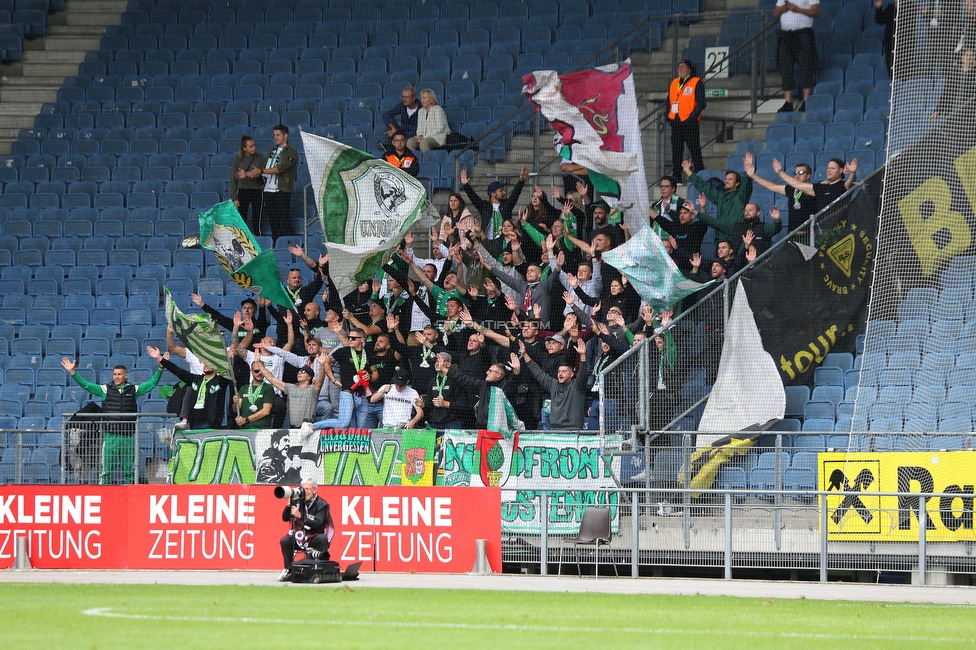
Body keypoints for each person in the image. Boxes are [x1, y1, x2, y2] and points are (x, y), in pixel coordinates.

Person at [61, 352, 163, 485]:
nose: (116, 377)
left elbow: (151, 384)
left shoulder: (134, 389)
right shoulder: (105, 389)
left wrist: (161, 368)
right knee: (106, 471)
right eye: (114, 374)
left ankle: (130, 498)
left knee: (129, 472)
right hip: (110, 437)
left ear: (126, 375)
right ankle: (104, 497)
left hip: (127, 436)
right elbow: (86, 385)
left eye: (119, 374)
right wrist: (72, 372)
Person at [147, 346, 233, 431]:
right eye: (205, 363)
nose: (206, 365)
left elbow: (229, 375)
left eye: (209, 363)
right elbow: (177, 371)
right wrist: (159, 357)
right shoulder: (196, 379)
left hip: (211, 425)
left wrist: (228, 361)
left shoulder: (220, 382)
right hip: (194, 424)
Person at [511, 339, 588, 430]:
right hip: (554, 429)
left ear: (571, 374)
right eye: (559, 371)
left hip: (573, 430)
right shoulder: (553, 384)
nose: (560, 374)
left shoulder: (577, 386)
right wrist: (524, 354)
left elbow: (583, 373)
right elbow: (538, 372)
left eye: (564, 372)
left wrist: (582, 355)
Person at [742, 152, 817, 232]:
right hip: (792, 234)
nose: (797, 175)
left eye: (801, 173)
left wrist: (780, 172)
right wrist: (753, 175)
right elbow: (772, 187)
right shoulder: (792, 189)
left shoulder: (814, 189)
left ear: (808, 176)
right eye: (796, 173)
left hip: (809, 234)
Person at [279, 478, 333, 582]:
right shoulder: (297, 501)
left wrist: (301, 516)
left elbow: (318, 524)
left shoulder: (322, 504)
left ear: (314, 490)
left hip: (314, 536)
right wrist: (289, 503)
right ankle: (290, 570)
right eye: (303, 489)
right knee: (285, 540)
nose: (305, 492)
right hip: (299, 537)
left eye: (307, 489)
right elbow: (285, 518)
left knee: (322, 538)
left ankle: (320, 570)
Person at [683, 159, 753, 239]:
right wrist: (688, 172)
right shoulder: (720, 196)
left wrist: (747, 171)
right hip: (721, 239)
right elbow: (704, 187)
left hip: (737, 238)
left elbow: (746, 185)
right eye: (726, 179)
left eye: (730, 179)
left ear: (737, 183)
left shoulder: (741, 196)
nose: (727, 181)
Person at [256, 358, 328, 430]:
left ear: (309, 377)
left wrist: (322, 364)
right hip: (292, 429)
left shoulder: (312, 390)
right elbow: (272, 379)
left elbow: (320, 380)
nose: (299, 373)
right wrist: (259, 363)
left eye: (303, 371)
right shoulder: (291, 388)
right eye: (299, 371)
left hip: (308, 429)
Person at [774, 0, 820, 112]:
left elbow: (816, 12)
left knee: (806, 67)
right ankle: (788, 102)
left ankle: (806, 101)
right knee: (786, 68)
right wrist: (781, 9)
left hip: (803, 34)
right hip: (786, 34)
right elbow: (775, 14)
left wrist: (798, 9)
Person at [460, 165, 528, 239]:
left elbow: (515, 194)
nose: (504, 192)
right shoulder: (484, 206)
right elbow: (473, 197)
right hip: (487, 242)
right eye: (501, 190)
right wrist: (465, 185)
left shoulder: (507, 205)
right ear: (493, 194)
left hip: (503, 242)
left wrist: (521, 181)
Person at [772, 156, 857, 212]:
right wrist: (780, 172)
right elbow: (798, 185)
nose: (829, 170)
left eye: (832, 168)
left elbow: (849, 183)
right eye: (828, 168)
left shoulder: (843, 185)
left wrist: (852, 173)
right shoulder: (821, 187)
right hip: (821, 230)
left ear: (840, 170)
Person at [668, 59, 706, 178]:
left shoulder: (696, 82)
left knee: (694, 150)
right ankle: (677, 178)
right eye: (679, 66)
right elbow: (668, 101)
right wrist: (668, 117)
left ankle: (700, 175)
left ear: (689, 69)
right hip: (676, 121)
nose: (681, 68)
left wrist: (692, 117)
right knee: (676, 152)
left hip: (690, 122)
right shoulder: (674, 82)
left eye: (683, 66)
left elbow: (702, 103)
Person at [261, 124, 300, 241]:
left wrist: (261, 171)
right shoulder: (271, 150)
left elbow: (281, 168)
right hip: (268, 189)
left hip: (282, 189)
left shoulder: (292, 151)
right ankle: (276, 244)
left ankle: (292, 244)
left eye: (278, 135)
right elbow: (267, 167)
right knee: (273, 220)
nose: (275, 137)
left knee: (284, 219)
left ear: (285, 136)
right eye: (274, 135)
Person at [230, 135, 267, 235]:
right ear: (244, 148)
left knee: (257, 218)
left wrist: (258, 173)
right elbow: (233, 180)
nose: (254, 148)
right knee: (241, 217)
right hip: (243, 191)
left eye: (254, 146)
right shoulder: (237, 159)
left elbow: (267, 172)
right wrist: (234, 198)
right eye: (251, 146)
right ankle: (242, 239)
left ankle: (259, 238)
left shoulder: (260, 157)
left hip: (257, 190)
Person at [406, 89, 450, 154]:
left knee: (423, 143)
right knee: (410, 142)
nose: (422, 100)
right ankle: (415, 160)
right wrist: (420, 136)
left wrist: (424, 137)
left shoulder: (438, 109)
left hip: (438, 136)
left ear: (430, 99)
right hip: (424, 137)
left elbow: (440, 128)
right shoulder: (421, 111)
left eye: (424, 98)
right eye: (421, 98)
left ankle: (428, 161)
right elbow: (419, 128)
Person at [233, 362, 275, 429]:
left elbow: (266, 411)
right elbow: (235, 409)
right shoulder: (243, 388)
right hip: (245, 429)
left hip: (261, 429)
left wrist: (245, 420)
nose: (259, 373)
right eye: (256, 371)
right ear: (251, 371)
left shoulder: (268, 388)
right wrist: (235, 402)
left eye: (261, 370)